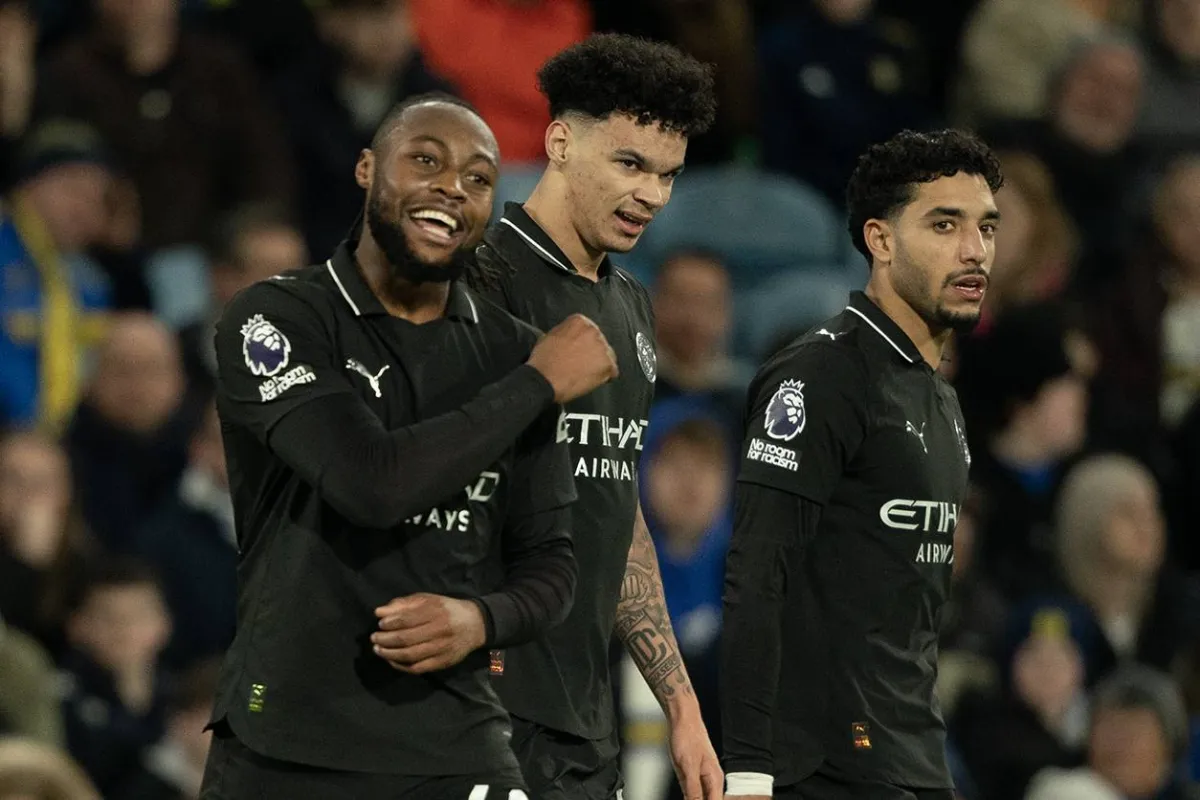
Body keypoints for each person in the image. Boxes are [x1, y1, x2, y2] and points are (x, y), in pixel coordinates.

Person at [199, 93, 619, 800]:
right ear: (367, 169)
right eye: (425, 160)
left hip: (457, 748)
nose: (452, 186)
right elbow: (370, 484)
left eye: (478, 178)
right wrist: (536, 385)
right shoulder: (276, 318)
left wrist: (479, 620)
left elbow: (550, 565)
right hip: (285, 744)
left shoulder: (514, 351)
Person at [457, 33, 722, 800]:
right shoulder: (478, 284)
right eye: (630, 164)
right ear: (560, 142)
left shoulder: (633, 308)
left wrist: (681, 704)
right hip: (477, 714)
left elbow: (614, 511)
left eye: (668, 175)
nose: (652, 195)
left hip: (584, 722)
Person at [720, 128, 1004, 800]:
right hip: (822, 767)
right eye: (945, 225)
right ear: (880, 240)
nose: (975, 250)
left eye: (987, 228)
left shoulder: (939, 399)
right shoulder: (821, 376)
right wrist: (749, 771)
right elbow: (758, 575)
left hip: (913, 758)